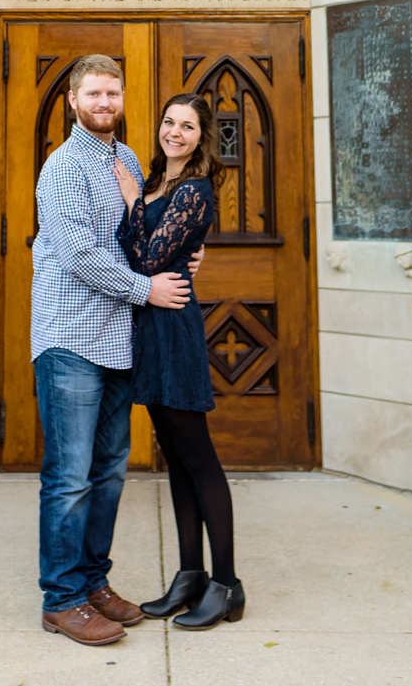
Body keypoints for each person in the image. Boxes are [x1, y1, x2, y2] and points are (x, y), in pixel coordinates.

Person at [31, 56, 195, 645]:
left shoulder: (126, 159)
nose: (105, 102)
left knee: (108, 472)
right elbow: (77, 257)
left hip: (120, 339)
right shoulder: (61, 167)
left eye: (113, 93)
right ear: (73, 100)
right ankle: (62, 598)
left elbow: (140, 238)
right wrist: (145, 288)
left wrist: (179, 258)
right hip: (71, 337)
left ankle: (94, 583)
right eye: (94, 93)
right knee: (69, 477)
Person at [112, 93, 245, 629]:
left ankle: (227, 584)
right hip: (149, 328)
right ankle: (190, 576)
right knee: (176, 456)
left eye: (187, 126)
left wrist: (129, 208)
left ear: (201, 137)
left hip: (175, 328)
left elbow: (143, 258)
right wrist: (138, 203)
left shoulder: (193, 189)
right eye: (168, 121)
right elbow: (140, 256)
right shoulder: (152, 182)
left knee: (200, 457)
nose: (175, 132)